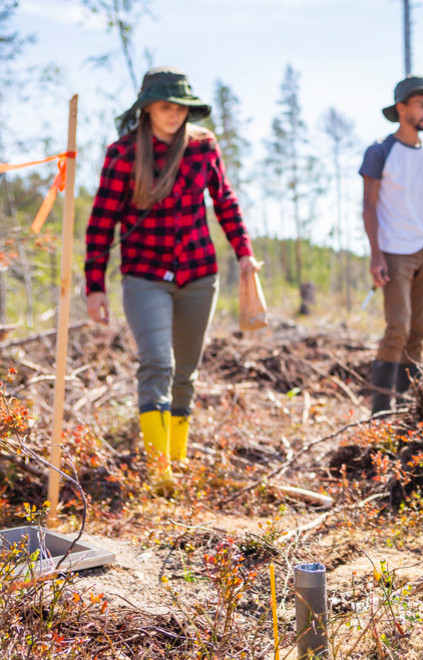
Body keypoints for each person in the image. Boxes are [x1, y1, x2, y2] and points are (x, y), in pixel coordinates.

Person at [84, 66, 259, 491]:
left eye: (181, 106)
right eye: (166, 106)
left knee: (186, 370)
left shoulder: (203, 147)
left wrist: (246, 253)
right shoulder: (122, 153)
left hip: (199, 273)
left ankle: (177, 461)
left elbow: (225, 202)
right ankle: (158, 471)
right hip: (144, 275)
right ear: (148, 108)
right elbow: (102, 222)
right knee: (157, 362)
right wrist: (94, 286)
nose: (175, 114)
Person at [359, 76, 423, 413]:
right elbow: (369, 206)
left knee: (419, 330)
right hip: (394, 252)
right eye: (421, 104)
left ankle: (407, 407)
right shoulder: (380, 152)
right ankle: (380, 410)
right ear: (400, 108)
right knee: (397, 328)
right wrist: (376, 256)